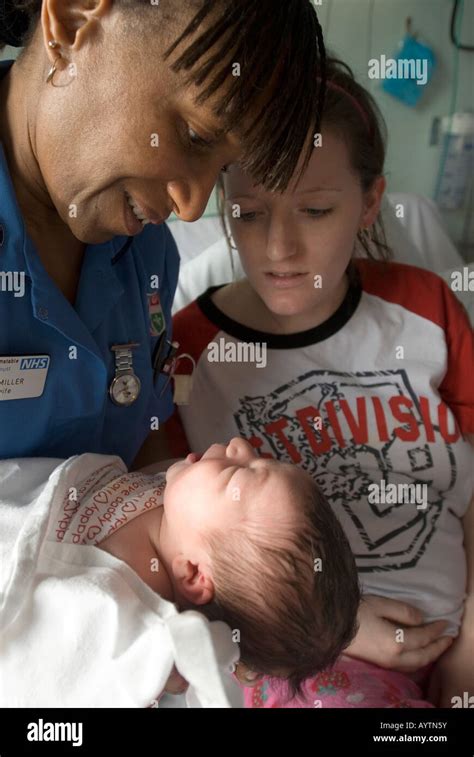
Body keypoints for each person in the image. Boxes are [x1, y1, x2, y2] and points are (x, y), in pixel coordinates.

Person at [167, 58, 474, 707]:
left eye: (315, 210)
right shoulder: (190, 352)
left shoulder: (427, 309)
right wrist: (335, 623)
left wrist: (472, 639)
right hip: (306, 660)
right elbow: (171, 551)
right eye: (249, 214)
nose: (279, 248)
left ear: (369, 202)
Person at [0, 0, 325, 468]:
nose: (191, 209)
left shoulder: (146, 256)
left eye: (223, 168)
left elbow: (141, 441)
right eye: (193, 136)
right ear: (73, 22)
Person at [0, 437, 360, 705]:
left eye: (236, 473)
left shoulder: (125, 619)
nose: (239, 445)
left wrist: (165, 658)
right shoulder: (176, 507)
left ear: (193, 575)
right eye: (261, 458)